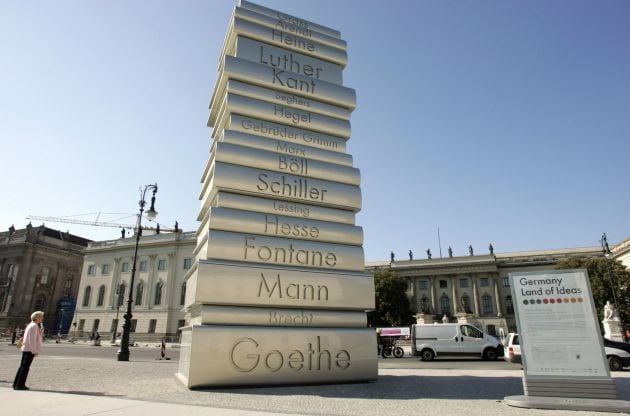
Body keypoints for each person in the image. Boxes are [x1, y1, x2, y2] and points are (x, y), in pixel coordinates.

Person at [13, 311, 44, 390]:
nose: (42, 318)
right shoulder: (34, 326)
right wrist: (34, 351)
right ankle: (20, 385)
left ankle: (16, 383)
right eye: (41, 316)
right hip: (29, 349)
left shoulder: (32, 325)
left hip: (26, 348)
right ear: (36, 317)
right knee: (25, 367)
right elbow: (32, 340)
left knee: (23, 366)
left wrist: (40, 332)